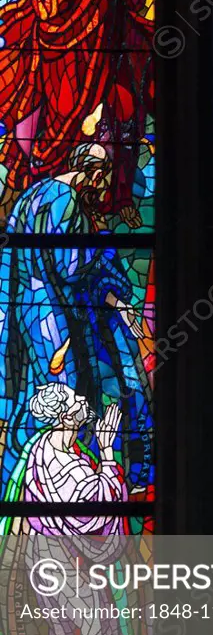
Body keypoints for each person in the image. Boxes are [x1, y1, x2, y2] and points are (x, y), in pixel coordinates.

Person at [0, 384, 149, 635]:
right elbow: (89, 511)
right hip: (55, 558)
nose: (84, 403)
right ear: (66, 417)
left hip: (55, 554)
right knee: (101, 634)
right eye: (76, 402)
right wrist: (109, 451)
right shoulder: (57, 458)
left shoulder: (58, 448)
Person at [0, 0, 154, 226]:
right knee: (60, 125)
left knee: (122, 122)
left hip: (112, 53)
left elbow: (135, 0)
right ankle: (44, 199)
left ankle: (117, 198)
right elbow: (46, 8)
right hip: (64, 60)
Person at [0, 145, 152, 491]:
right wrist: (102, 247)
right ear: (93, 171)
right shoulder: (67, 199)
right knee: (70, 394)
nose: (99, 188)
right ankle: (65, 482)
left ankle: (25, 474)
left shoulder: (31, 195)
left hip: (28, 310)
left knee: (34, 391)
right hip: (57, 315)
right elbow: (72, 267)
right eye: (100, 179)